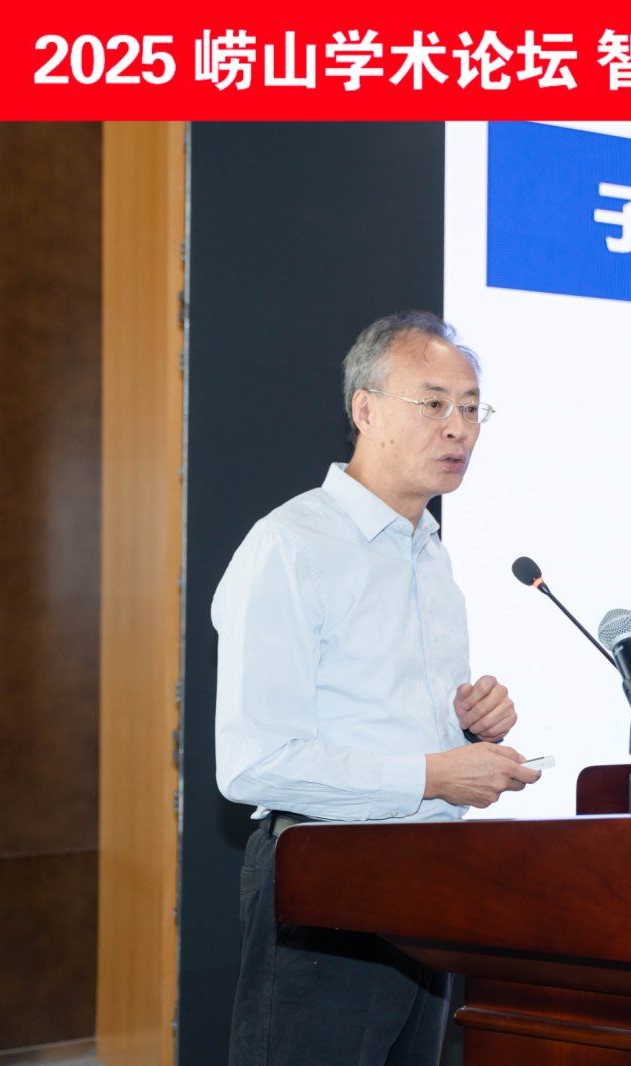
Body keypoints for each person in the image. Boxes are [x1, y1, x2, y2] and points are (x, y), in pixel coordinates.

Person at [213, 310, 541, 1065]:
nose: (458, 428)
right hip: (328, 882)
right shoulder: (291, 546)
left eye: (472, 408)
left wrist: (471, 728)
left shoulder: (430, 552)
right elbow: (254, 763)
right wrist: (435, 774)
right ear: (365, 409)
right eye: (433, 403)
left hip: (429, 879)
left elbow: (379, 722)